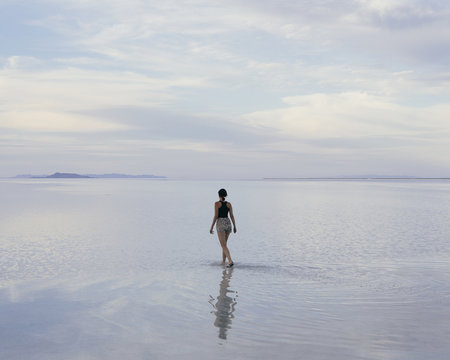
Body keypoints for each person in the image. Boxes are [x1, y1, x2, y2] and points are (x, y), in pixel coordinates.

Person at [210, 188, 237, 267]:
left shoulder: (216, 204)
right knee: (224, 244)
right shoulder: (229, 204)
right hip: (228, 223)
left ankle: (230, 261)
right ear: (225, 195)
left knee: (223, 245)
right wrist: (235, 226)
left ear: (219, 195)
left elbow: (215, 216)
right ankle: (223, 262)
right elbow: (231, 215)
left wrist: (211, 227)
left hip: (221, 224)